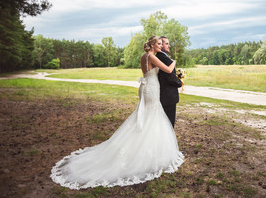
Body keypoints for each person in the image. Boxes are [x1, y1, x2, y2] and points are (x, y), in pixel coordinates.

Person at [50, 36, 184, 190]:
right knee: (153, 115)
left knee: (147, 114)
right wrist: (174, 62)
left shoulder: (144, 56)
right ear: (153, 45)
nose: (161, 46)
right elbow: (167, 69)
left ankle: (151, 145)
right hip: (152, 88)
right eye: (159, 43)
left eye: (162, 43)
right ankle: (149, 151)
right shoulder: (152, 57)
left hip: (147, 87)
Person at [156, 36, 183, 128]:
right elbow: (170, 77)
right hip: (168, 96)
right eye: (166, 44)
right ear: (160, 45)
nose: (169, 46)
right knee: (169, 123)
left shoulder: (159, 57)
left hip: (163, 95)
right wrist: (180, 82)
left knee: (164, 122)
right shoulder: (164, 58)